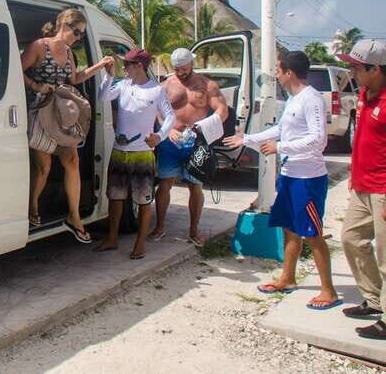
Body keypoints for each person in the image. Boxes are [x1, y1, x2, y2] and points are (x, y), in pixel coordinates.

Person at [224, 51, 339, 310]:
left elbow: (318, 140)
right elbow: (281, 130)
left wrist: (281, 147)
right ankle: (287, 278)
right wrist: (248, 139)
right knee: (289, 229)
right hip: (289, 175)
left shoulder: (312, 99)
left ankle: (328, 291)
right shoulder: (293, 99)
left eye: (278, 69)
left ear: (289, 73)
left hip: (308, 179)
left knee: (312, 234)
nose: (275, 73)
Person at [22, 8, 113, 243]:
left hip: (61, 114)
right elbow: (15, 70)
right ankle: (32, 206)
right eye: (76, 31)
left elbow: (74, 79)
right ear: (63, 25)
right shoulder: (39, 47)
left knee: (71, 161)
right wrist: (34, 86)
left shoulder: (70, 53)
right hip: (40, 112)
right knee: (44, 167)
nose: (78, 37)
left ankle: (74, 217)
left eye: (81, 34)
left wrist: (99, 66)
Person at [94, 48, 175, 258]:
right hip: (120, 151)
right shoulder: (122, 85)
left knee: (143, 200)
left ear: (139, 66)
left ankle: (140, 243)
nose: (124, 68)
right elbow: (102, 96)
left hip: (142, 154)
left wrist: (159, 136)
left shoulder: (156, 90)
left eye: (127, 65)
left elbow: (170, 117)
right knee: (115, 197)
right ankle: (112, 238)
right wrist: (109, 75)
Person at [150, 48, 228, 246]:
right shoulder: (167, 84)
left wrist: (204, 128)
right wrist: (166, 130)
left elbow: (222, 110)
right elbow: (156, 109)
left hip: (195, 142)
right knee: (165, 183)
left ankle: (194, 231)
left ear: (191, 64)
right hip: (170, 142)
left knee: (195, 186)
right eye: (176, 69)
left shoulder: (207, 85)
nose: (179, 73)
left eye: (183, 69)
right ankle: (159, 227)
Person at [337, 39, 386, 339]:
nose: (351, 71)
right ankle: (374, 300)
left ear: (376, 69)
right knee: (351, 239)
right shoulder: (366, 94)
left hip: (382, 189)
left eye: (356, 67)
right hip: (363, 186)